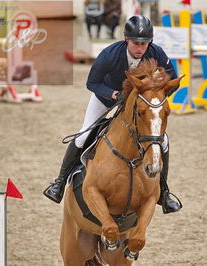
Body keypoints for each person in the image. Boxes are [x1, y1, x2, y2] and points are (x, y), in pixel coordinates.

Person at [44, 15, 182, 214]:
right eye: (136, 43)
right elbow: (91, 83)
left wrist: (155, 97)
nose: (140, 48)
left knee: (164, 140)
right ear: (126, 39)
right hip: (106, 99)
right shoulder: (109, 54)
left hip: (139, 104)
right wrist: (113, 94)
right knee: (83, 136)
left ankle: (165, 193)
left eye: (145, 43)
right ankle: (59, 183)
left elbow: (172, 80)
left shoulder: (157, 53)